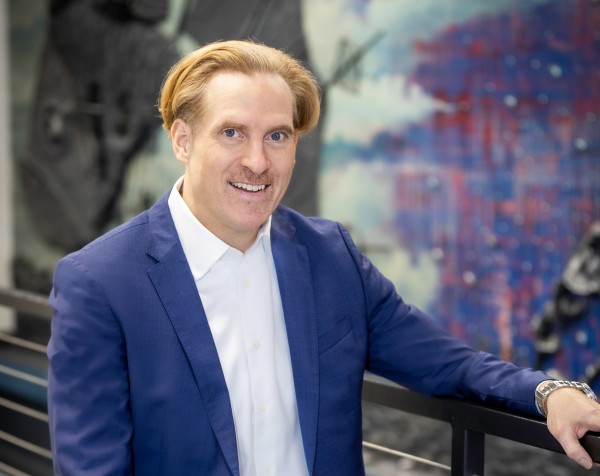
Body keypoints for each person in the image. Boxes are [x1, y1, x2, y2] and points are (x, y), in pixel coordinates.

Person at [47, 39, 600, 475]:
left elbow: (448, 364)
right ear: (183, 140)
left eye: (278, 136)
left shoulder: (331, 256)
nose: (257, 162)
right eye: (232, 132)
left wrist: (550, 393)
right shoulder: (100, 283)